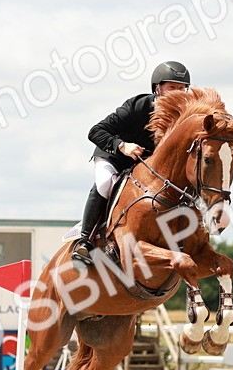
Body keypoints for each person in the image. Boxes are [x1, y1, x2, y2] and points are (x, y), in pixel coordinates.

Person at [71, 60, 191, 267]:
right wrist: (122, 145)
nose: (178, 93)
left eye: (182, 88)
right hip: (115, 157)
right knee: (105, 183)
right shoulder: (137, 106)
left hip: (148, 169)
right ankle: (85, 241)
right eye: (172, 88)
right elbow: (96, 131)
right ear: (158, 88)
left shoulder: (184, 116)